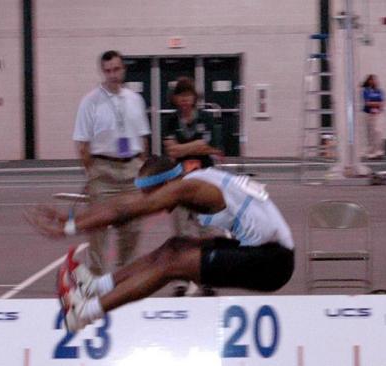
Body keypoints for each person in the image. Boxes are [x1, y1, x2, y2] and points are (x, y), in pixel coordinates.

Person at [26, 155, 295, 331]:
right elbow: (127, 204)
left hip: (273, 262)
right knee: (173, 248)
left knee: (172, 264)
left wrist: (71, 224)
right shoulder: (197, 178)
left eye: (151, 195)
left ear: (165, 185)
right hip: (262, 250)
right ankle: (95, 286)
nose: (160, 207)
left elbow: (127, 209)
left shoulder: (188, 187)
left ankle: (85, 313)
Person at [73, 50, 151, 274]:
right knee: (97, 229)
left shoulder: (136, 100)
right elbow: (83, 145)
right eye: (108, 71)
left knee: (133, 228)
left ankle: (124, 275)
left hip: (133, 170)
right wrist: (92, 174)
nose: (112, 75)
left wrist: (143, 171)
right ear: (102, 72)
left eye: (116, 69)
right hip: (103, 171)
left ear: (123, 70)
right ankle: (96, 278)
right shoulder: (90, 102)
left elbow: (143, 139)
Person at [163, 76, 224, 296]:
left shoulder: (206, 119)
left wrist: (185, 148)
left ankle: (208, 279)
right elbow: (172, 151)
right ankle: (180, 281)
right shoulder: (171, 121)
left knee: (207, 231)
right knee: (180, 233)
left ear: (194, 98)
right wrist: (196, 146)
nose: (185, 100)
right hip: (179, 185)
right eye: (181, 96)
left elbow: (210, 148)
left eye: (188, 96)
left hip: (204, 184)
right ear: (176, 99)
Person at [361, 74, 385, 159]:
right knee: (370, 133)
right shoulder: (366, 91)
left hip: (378, 114)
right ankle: (370, 151)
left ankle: (379, 151)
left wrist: (375, 104)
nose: (373, 81)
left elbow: (382, 103)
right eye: (371, 80)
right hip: (368, 114)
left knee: (378, 131)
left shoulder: (379, 91)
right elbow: (367, 103)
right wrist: (376, 104)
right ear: (368, 81)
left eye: (374, 80)